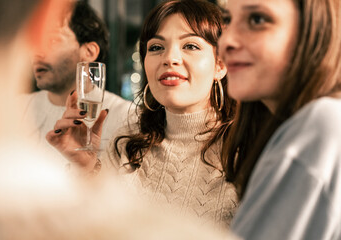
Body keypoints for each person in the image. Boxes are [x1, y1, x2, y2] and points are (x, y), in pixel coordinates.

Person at [47, 0, 238, 228]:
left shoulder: (244, 151)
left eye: (190, 46)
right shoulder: (128, 142)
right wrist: (85, 166)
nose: (170, 58)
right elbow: (88, 227)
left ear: (220, 65)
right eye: (156, 47)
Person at [218, 0, 341, 239]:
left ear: (317, 29)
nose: (226, 42)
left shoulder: (321, 124)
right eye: (227, 20)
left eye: (257, 20)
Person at [21, 0, 133, 166]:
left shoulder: (127, 118)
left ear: (89, 51)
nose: (37, 53)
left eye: (51, 41)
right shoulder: (16, 108)